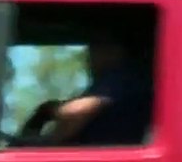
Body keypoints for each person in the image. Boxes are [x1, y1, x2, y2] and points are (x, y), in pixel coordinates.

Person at [19, 33, 152, 147]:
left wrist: (50, 110)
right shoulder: (123, 81)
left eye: (96, 47)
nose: (89, 57)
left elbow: (75, 111)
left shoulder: (123, 77)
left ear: (117, 50)